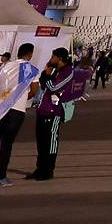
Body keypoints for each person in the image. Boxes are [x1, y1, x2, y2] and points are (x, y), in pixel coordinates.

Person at [0, 44, 42, 189]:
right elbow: (34, 90)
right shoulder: (32, 70)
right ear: (30, 55)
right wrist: (22, 97)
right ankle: (1, 177)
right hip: (16, 111)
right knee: (7, 145)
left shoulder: (4, 67)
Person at [28, 48, 80, 181]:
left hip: (54, 112)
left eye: (53, 57)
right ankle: (40, 169)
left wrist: (47, 76)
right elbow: (44, 85)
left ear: (60, 58)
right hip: (42, 110)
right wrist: (46, 75)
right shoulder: (54, 70)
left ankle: (48, 170)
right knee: (41, 143)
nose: (51, 59)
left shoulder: (67, 71)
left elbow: (53, 88)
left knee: (51, 143)